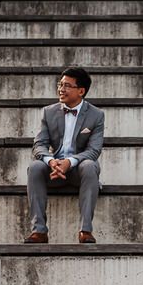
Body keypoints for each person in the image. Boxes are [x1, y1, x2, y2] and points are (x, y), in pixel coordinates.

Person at [24, 67, 105, 244]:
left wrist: (70, 162)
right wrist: (52, 161)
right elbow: (39, 145)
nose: (61, 89)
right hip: (54, 170)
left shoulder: (96, 115)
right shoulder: (49, 112)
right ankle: (39, 231)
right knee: (35, 167)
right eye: (60, 84)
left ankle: (85, 230)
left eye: (67, 85)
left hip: (79, 170)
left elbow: (93, 150)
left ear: (81, 91)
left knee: (90, 165)